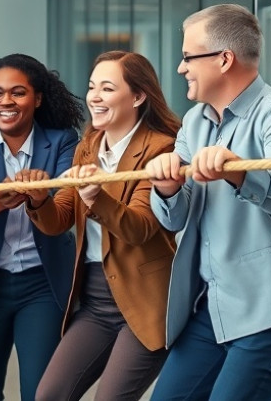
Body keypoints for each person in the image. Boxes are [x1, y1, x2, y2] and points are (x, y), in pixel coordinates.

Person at [145, 4, 271, 400]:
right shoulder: (193, 122)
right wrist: (168, 188)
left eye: (188, 56)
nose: (180, 67)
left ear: (224, 59)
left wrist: (238, 170)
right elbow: (176, 219)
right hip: (212, 309)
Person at [22, 51, 180, 401]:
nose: (94, 96)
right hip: (95, 299)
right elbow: (58, 219)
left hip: (144, 300)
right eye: (92, 87)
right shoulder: (89, 146)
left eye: (107, 88)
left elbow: (140, 228)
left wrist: (96, 196)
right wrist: (37, 200)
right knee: (49, 394)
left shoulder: (162, 149)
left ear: (138, 96)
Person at [0, 53, 84, 401]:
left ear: (37, 98)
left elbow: (65, 205)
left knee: (42, 393)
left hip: (42, 282)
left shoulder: (64, 140)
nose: (6, 101)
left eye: (18, 92)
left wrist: (38, 198)